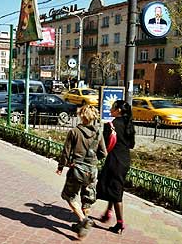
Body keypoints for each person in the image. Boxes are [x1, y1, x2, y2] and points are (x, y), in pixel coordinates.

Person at [56, 105, 107, 238]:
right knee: (87, 199)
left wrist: (61, 166)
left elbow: (66, 152)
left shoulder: (74, 132)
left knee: (69, 196)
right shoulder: (98, 132)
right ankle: (81, 226)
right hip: (92, 171)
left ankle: (83, 220)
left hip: (77, 170)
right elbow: (104, 153)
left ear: (81, 116)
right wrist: (93, 161)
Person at [96, 100, 136, 234]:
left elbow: (103, 146)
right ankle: (108, 212)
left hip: (114, 161)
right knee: (115, 187)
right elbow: (132, 145)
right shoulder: (129, 124)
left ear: (118, 110)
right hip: (125, 160)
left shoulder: (111, 125)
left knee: (116, 192)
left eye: (113, 107)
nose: (110, 109)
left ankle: (120, 224)